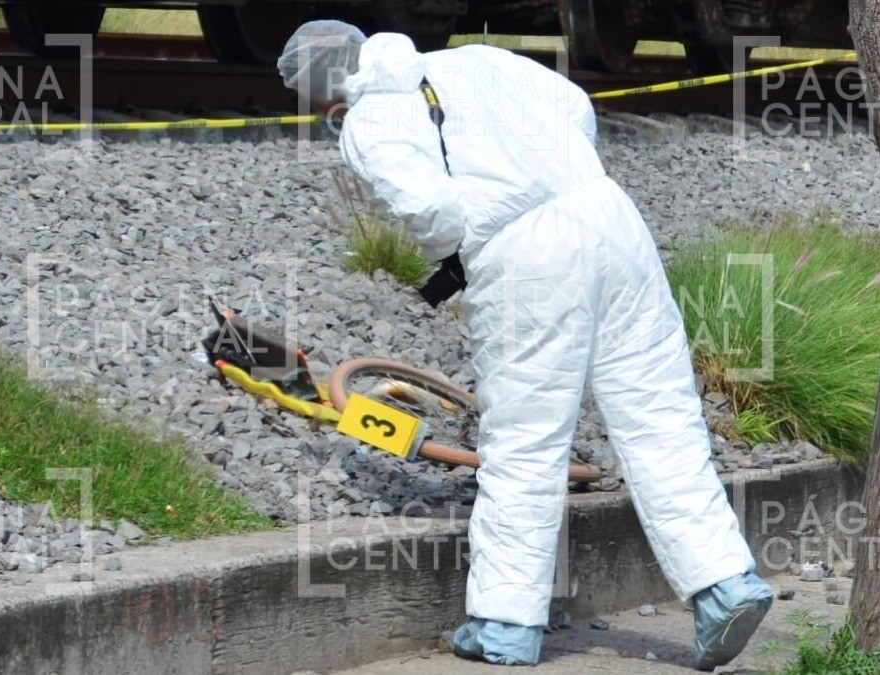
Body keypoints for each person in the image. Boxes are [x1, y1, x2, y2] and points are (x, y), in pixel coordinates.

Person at [277, 20, 774, 670]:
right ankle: (724, 584)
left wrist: (455, 250)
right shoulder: (472, 60)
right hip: (610, 216)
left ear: (324, 95)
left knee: (525, 438)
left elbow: (433, 211)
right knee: (659, 411)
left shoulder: (368, 123)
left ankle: (506, 622)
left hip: (528, 256)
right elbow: (575, 107)